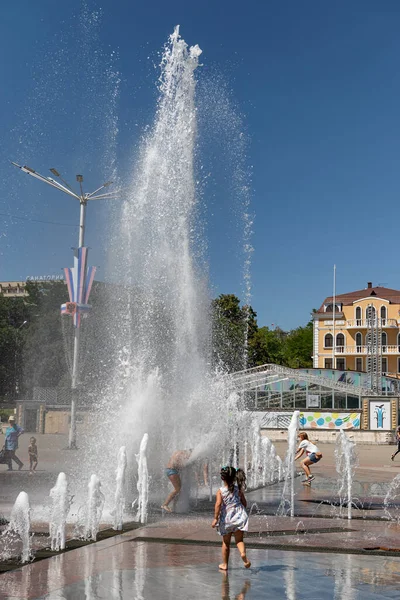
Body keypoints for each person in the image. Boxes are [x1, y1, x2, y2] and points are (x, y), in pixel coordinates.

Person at [211, 466, 251, 571]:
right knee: (239, 540)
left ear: (222, 478)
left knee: (226, 543)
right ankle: (243, 554)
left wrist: (215, 518)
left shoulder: (220, 491)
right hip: (239, 518)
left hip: (227, 520)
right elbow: (244, 503)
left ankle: (225, 564)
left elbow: (218, 504)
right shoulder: (238, 489)